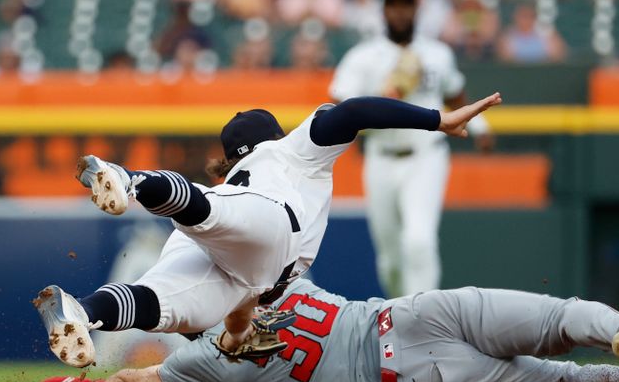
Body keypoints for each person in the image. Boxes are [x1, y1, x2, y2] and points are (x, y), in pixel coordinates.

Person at [34, 92, 502, 368]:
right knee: (210, 225)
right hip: (268, 226)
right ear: (274, 136)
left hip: (234, 267)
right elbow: (353, 112)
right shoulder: (292, 150)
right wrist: (437, 119)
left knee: (165, 303)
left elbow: (242, 304)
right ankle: (130, 180)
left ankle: (84, 311)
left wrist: (236, 337)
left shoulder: (233, 177)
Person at [33, 277, 619, 382]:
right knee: (563, 315)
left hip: (405, 379)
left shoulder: (201, 363)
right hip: (409, 315)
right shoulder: (276, 273)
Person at [330, 0, 495, 298]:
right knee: (390, 260)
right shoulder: (364, 56)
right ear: (384, 10)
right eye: (394, 5)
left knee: (419, 241)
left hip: (426, 155)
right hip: (380, 156)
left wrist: (480, 126)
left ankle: (421, 321)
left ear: (415, 9)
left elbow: (454, 94)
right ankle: (400, 310)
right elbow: (340, 106)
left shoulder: (436, 53)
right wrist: (383, 96)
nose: (400, 12)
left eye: (406, 5)